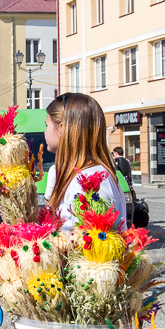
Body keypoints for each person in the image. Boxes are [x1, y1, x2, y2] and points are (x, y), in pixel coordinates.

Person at [43, 93, 127, 233]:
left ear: (62, 128)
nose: (45, 132)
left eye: (46, 125)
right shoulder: (83, 174)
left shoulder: (89, 181)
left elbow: (91, 242)